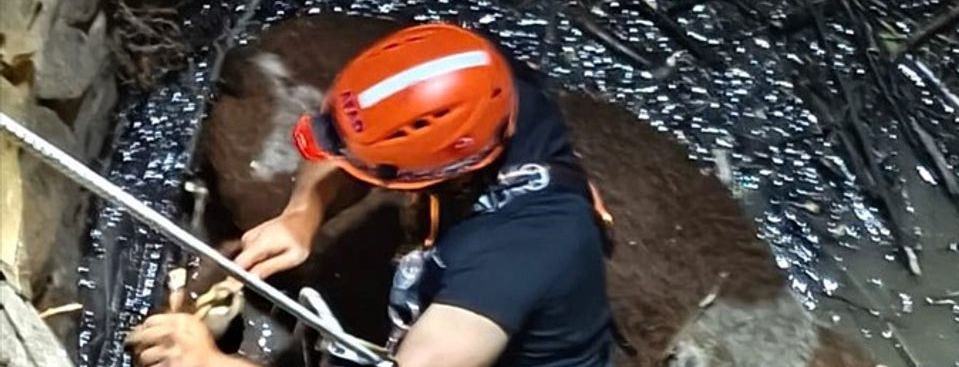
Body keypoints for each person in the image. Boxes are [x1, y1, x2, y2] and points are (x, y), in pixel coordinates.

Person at [130, 22, 615, 367]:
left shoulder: (498, 273)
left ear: (441, 171)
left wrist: (207, 362)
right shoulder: (476, 83)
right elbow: (347, 138)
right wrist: (304, 214)